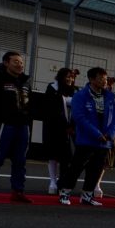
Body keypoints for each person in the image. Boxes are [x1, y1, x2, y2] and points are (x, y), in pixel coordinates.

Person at [57, 66, 115, 207]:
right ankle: (64, 193)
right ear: (91, 79)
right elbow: (79, 117)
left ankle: (87, 195)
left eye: (105, 78)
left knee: (96, 169)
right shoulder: (81, 95)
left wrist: (110, 134)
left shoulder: (110, 97)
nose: (104, 81)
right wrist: (96, 133)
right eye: (101, 78)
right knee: (76, 167)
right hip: (86, 139)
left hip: (104, 142)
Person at [0, 51, 32, 202]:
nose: (20, 65)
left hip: (23, 126)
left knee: (20, 160)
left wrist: (28, 121)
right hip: (4, 125)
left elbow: (30, 104)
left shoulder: (26, 81)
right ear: (6, 63)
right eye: (15, 62)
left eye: (21, 62)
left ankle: (18, 191)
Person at [42, 67, 78, 195]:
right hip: (53, 126)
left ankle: (62, 183)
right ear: (61, 76)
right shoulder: (52, 87)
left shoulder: (75, 90)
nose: (70, 79)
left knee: (67, 157)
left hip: (69, 128)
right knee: (52, 154)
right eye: (67, 76)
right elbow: (51, 105)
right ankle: (52, 181)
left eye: (72, 77)